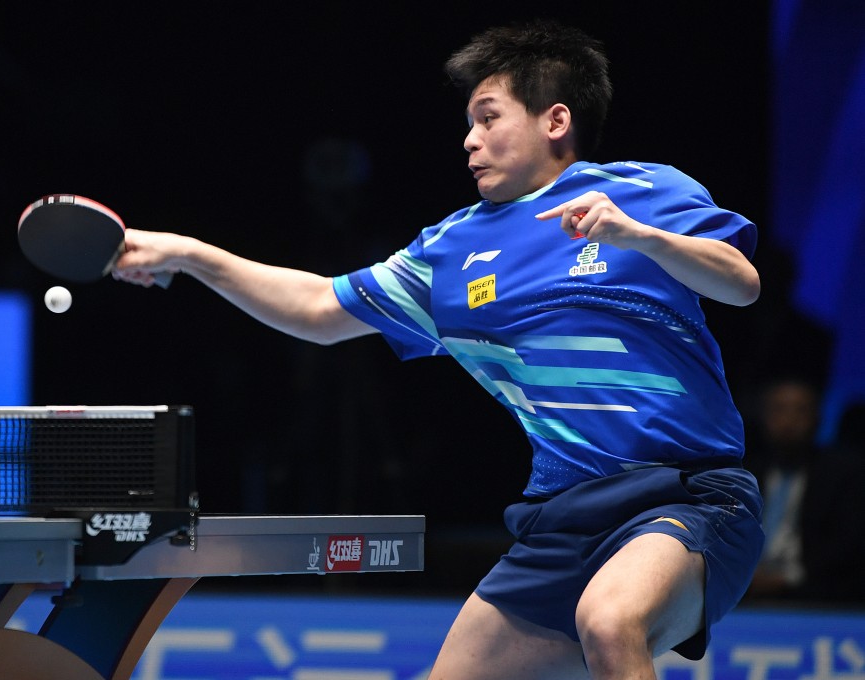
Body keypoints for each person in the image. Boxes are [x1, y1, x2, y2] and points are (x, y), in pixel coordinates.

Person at [112, 19, 764, 680]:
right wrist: (191, 257)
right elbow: (317, 309)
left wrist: (642, 238)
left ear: (556, 120)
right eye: (468, 123)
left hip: (687, 498)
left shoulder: (644, 192)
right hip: (563, 521)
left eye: (488, 117)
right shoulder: (450, 252)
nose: (469, 140)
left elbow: (740, 284)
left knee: (609, 619)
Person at [743, 377, 865, 604]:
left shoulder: (844, 474)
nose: (789, 421)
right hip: (744, 591)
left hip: (817, 596)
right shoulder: (745, 473)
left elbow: (848, 543)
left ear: (818, 418)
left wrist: (788, 578)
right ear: (764, 417)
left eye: (800, 411)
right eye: (779, 410)